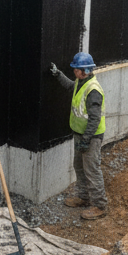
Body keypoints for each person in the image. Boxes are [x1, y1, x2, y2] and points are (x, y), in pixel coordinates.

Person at [49, 53, 107, 220]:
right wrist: (58, 74)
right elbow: (70, 86)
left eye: (76, 70)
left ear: (85, 70)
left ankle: (100, 205)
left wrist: (87, 140)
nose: (74, 71)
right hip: (80, 134)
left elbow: (95, 119)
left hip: (91, 136)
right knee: (79, 166)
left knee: (91, 169)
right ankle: (83, 197)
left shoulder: (93, 90)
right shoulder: (81, 83)